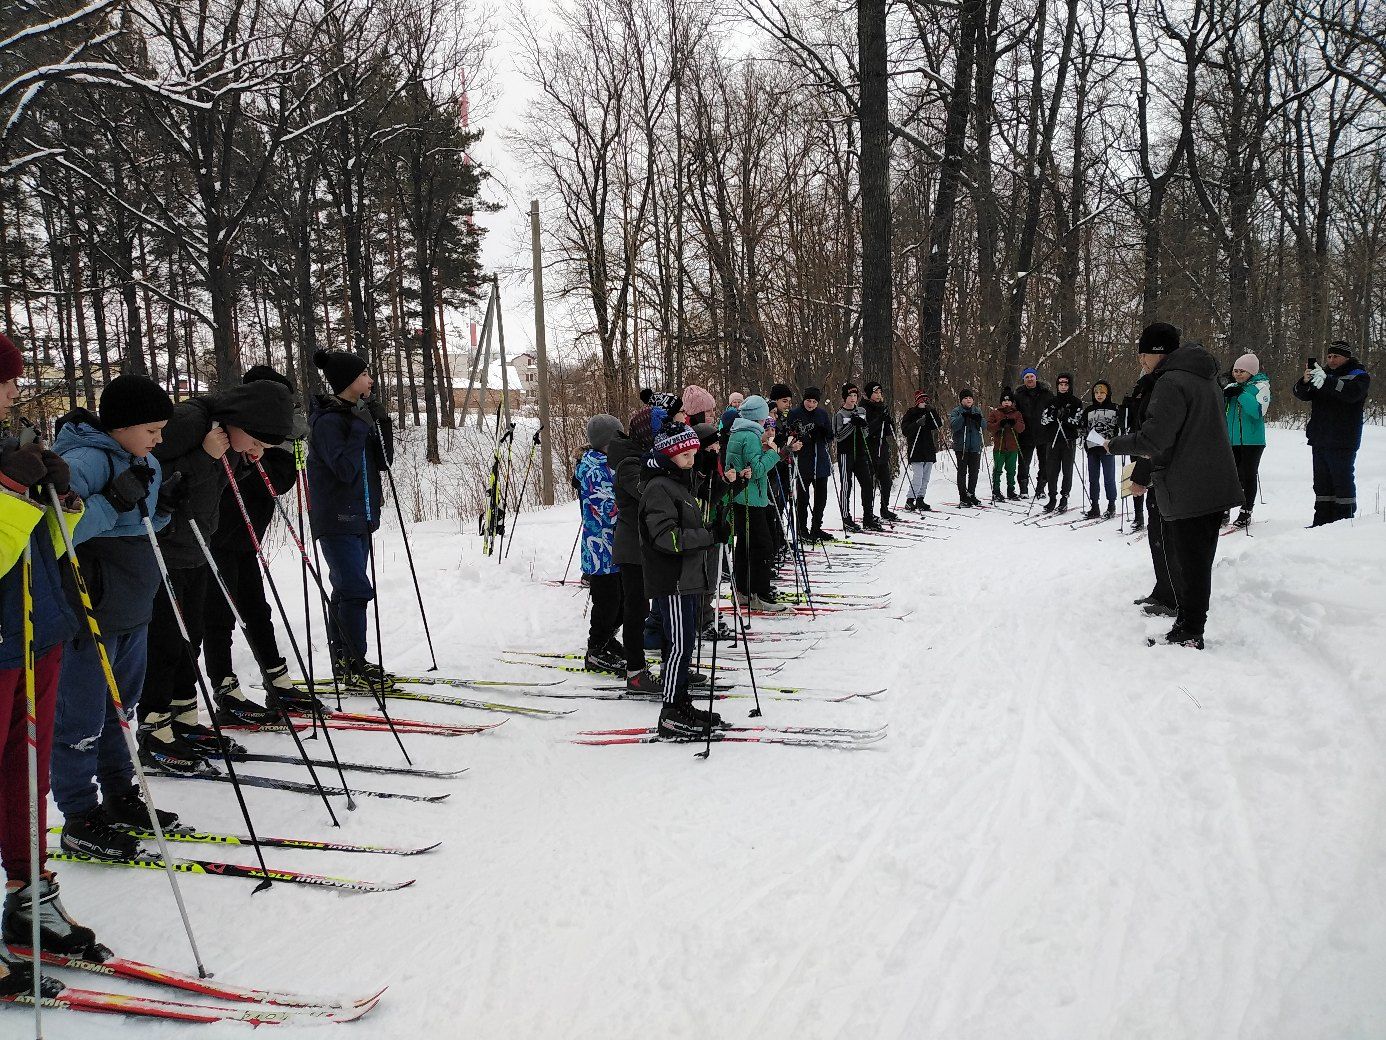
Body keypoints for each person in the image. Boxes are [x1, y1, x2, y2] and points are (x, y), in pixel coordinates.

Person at [0, 332, 105, 997]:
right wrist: (13, 490)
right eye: (4, 381)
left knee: (26, 774)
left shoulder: (8, 449)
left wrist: (62, 502)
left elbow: (49, 548)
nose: (13, 392)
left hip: (38, 632)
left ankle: (29, 896)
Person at [50, 375, 180, 862]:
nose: (159, 439)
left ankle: (120, 794)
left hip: (132, 607)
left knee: (120, 711)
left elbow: (141, 523)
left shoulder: (144, 459)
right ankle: (80, 816)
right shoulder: (84, 461)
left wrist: (163, 508)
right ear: (122, 426)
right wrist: (113, 501)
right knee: (81, 717)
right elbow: (56, 530)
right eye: (152, 429)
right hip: (92, 614)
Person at [138, 372, 294, 773]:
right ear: (240, 421)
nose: (258, 449)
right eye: (256, 441)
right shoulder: (192, 421)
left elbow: (211, 484)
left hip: (197, 546)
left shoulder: (227, 438)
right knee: (168, 641)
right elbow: (150, 468)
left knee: (193, 638)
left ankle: (184, 719)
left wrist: (242, 462)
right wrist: (205, 455)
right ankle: (155, 728)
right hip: (167, 547)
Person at [1107, 325, 1242, 649]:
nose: (1140, 359)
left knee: (1189, 560)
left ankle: (1189, 630)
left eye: (1143, 353)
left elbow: (1156, 438)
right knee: (1197, 559)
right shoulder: (1202, 376)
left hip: (1188, 484)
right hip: (1210, 480)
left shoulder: (1171, 381)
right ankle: (1188, 624)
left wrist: (1114, 444)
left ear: (1159, 352)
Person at [202, 365, 307, 726]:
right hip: (219, 534)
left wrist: (280, 454)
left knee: (256, 609)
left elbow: (281, 482)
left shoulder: (279, 437)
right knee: (220, 612)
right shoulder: (234, 432)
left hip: (248, 535)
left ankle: (276, 678)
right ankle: (224, 686)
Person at [305, 348, 393, 692]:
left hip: (363, 517)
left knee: (346, 590)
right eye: (364, 375)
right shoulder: (328, 421)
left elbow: (384, 463)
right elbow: (343, 470)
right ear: (348, 382)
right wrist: (359, 427)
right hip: (337, 518)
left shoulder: (357, 414)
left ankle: (346, 662)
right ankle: (355, 664)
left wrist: (380, 421)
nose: (370, 379)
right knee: (355, 590)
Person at [638, 421, 724, 738]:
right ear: (671, 456)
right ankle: (671, 711)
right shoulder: (659, 488)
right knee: (678, 646)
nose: (692, 460)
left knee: (685, 644)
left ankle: (682, 701)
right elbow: (667, 538)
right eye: (687, 456)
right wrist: (708, 536)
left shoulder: (679, 485)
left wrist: (714, 528)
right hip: (671, 579)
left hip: (686, 579)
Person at [1292, 340, 1371, 526]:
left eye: (1336, 356)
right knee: (1321, 483)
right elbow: (1302, 394)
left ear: (1347, 357)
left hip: (1343, 438)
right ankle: (1321, 521)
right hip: (1320, 437)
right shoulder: (1322, 374)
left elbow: (1352, 394)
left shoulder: (1358, 375)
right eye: (1329, 356)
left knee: (1341, 481)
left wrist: (1327, 381)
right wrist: (1305, 381)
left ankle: (1343, 522)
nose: (1332, 360)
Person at [725, 396, 790, 613]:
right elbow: (758, 470)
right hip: (751, 498)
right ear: (758, 417)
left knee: (745, 545)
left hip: (743, 497)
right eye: (765, 417)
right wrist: (773, 453)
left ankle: (743, 590)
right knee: (762, 545)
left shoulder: (738, 432)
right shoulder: (750, 435)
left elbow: (748, 463)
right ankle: (760, 593)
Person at [609, 406, 657, 692]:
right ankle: (635, 670)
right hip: (632, 545)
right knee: (636, 609)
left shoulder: (641, 458)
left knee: (641, 607)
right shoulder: (629, 463)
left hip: (643, 544)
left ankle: (638, 665)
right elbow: (647, 493)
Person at [575, 414, 623, 674]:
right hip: (600, 550)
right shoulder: (594, 468)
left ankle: (607, 639)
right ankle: (596, 649)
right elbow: (609, 509)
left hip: (617, 547)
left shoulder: (610, 463)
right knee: (608, 602)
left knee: (623, 601)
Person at [1222, 353, 1271, 529]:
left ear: (1251, 371)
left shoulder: (1261, 387)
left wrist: (1242, 394)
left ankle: (1246, 510)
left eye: (1242, 371)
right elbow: (1220, 410)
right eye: (1235, 371)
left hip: (1252, 441)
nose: (1238, 374)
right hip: (1231, 439)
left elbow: (1258, 412)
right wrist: (1224, 395)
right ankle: (1224, 508)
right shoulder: (1231, 386)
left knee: (1248, 474)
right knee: (1229, 475)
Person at [788, 388, 833, 539]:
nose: (811, 404)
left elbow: (830, 435)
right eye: (809, 401)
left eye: (814, 402)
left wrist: (824, 433)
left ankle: (816, 527)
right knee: (803, 498)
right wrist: (805, 437)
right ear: (804, 399)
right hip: (803, 462)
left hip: (820, 462)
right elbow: (790, 436)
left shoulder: (822, 414)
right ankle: (802, 528)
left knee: (821, 497)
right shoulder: (795, 414)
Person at [833, 383, 879, 531]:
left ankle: (868, 517)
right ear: (844, 398)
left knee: (867, 484)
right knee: (846, 485)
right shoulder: (839, 414)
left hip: (860, 453)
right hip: (846, 453)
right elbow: (838, 436)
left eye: (855, 396)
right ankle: (846, 518)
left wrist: (863, 425)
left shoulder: (861, 411)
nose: (853, 399)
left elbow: (865, 433)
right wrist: (851, 424)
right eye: (850, 396)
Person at [1039, 373, 1082, 513]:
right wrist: (1053, 415)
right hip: (1052, 440)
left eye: (1066, 384)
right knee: (1052, 471)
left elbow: (1078, 422)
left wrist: (1066, 418)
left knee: (1067, 470)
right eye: (1060, 384)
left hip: (1068, 440)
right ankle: (1052, 498)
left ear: (1070, 386)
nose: (1063, 387)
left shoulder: (1076, 402)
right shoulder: (1051, 401)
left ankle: (1064, 498)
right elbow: (1043, 420)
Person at [1081, 381, 1120, 519]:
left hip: (1108, 449)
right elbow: (1084, 428)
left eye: (1102, 392)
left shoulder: (1115, 409)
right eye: (1096, 393)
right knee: (1093, 479)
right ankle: (1095, 505)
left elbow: (1119, 428)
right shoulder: (1089, 410)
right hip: (1092, 449)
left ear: (1107, 393)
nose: (1099, 395)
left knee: (1109, 478)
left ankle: (1111, 504)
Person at [861, 381, 900, 522]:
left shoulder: (882, 407)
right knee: (869, 484)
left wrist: (888, 421)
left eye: (879, 393)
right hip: (869, 449)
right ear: (869, 394)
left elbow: (889, 431)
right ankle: (868, 512)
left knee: (886, 482)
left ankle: (885, 509)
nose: (878, 395)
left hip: (882, 449)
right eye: (875, 393)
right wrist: (879, 420)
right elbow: (867, 430)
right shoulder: (863, 408)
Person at [1013, 368, 1053, 498]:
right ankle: (1023, 489)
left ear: (1036, 377)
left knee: (1045, 463)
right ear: (1023, 379)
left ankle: (1041, 489)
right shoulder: (1019, 395)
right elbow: (1015, 413)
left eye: (1031, 376)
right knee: (1024, 463)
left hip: (1044, 433)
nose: (1029, 379)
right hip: (1026, 434)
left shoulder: (1046, 393)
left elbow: (1052, 410)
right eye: (1027, 377)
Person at [900, 390, 942, 511]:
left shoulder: (929, 413)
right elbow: (905, 430)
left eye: (926, 401)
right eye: (923, 401)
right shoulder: (911, 413)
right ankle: (910, 500)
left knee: (926, 478)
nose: (925, 403)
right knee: (917, 477)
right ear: (917, 402)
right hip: (916, 449)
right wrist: (917, 424)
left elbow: (938, 424)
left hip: (928, 450)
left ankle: (920, 499)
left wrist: (932, 411)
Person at [1117, 383, 1147, 532]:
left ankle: (1156, 514)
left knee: (1152, 479)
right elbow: (1123, 422)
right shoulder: (1133, 398)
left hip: (1150, 442)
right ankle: (1138, 515)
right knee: (1135, 477)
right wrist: (1124, 407)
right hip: (1135, 442)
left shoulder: (1156, 396)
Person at [986, 390, 1025, 502]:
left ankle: (1011, 490)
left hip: (1012, 448)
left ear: (1012, 402)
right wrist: (999, 424)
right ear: (1001, 402)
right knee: (998, 469)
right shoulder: (995, 413)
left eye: (1009, 400)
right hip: (999, 447)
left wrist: (1014, 423)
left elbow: (1021, 428)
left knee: (1011, 470)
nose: (1006, 402)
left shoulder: (1017, 414)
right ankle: (996, 490)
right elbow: (989, 427)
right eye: (1004, 400)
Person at [949, 389, 984, 506]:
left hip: (974, 446)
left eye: (970, 397)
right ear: (961, 400)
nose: (968, 400)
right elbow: (954, 426)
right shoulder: (956, 411)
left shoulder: (977, 410)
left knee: (974, 472)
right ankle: (963, 496)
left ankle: (971, 494)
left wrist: (979, 419)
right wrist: (962, 417)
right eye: (965, 398)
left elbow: (983, 426)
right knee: (962, 472)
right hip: (961, 447)